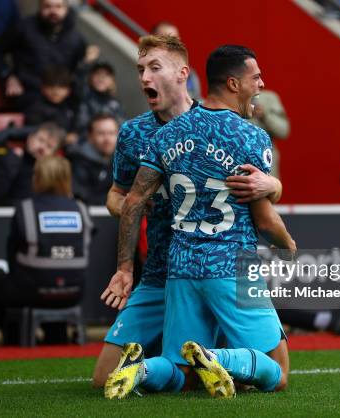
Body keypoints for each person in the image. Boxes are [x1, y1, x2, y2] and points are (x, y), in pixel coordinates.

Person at [103, 45, 295, 399]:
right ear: (234, 84)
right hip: (232, 266)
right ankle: (217, 357)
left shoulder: (167, 133)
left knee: (183, 373)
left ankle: (142, 369)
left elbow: (131, 202)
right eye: (256, 79)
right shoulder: (251, 136)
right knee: (279, 372)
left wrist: (125, 267)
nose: (261, 85)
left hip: (181, 267)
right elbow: (265, 221)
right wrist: (288, 244)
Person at [0, 155, 93, 345]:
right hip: (74, 292)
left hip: (31, 292)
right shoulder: (81, 209)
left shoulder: (25, 208)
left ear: (37, 178)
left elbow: (12, 254)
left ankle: (16, 338)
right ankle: (56, 337)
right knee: (53, 276)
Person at [0, 0, 91, 111]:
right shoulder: (24, 28)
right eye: (47, 6)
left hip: (61, 97)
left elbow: (77, 71)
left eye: (58, 7)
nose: (53, 11)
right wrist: (7, 76)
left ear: (66, 9)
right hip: (27, 92)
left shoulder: (75, 38)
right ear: (40, 7)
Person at [0, 122, 65, 206]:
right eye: (40, 140)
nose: (42, 147)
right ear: (29, 138)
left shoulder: (54, 173)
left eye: (49, 146)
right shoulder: (9, 159)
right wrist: (12, 163)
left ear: (54, 153)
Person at [66, 114, 117, 205]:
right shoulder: (77, 162)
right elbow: (81, 196)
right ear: (90, 136)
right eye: (101, 133)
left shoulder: (123, 160)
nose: (107, 139)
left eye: (111, 133)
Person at [151, 21, 202, 100]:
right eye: (165, 38)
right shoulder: (142, 71)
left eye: (175, 40)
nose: (171, 44)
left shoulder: (189, 75)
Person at [24, 65, 79, 136]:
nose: (55, 92)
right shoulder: (35, 108)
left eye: (61, 87)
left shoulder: (73, 106)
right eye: (51, 87)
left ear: (69, 90)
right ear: (42, 88)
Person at [75, 62, 124, 139]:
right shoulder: (83, 95)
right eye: (97, 74)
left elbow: (122, 128)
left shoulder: (115, 104)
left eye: (106, 75)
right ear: (90, 78)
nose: (101, 79)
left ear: (112, 81)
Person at [249, 89, 290, 180]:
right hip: (238, 166)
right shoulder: (229, 99)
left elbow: (284, 131)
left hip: (266, 165)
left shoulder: (269, 98)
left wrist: (265, 116)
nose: (260, 83)